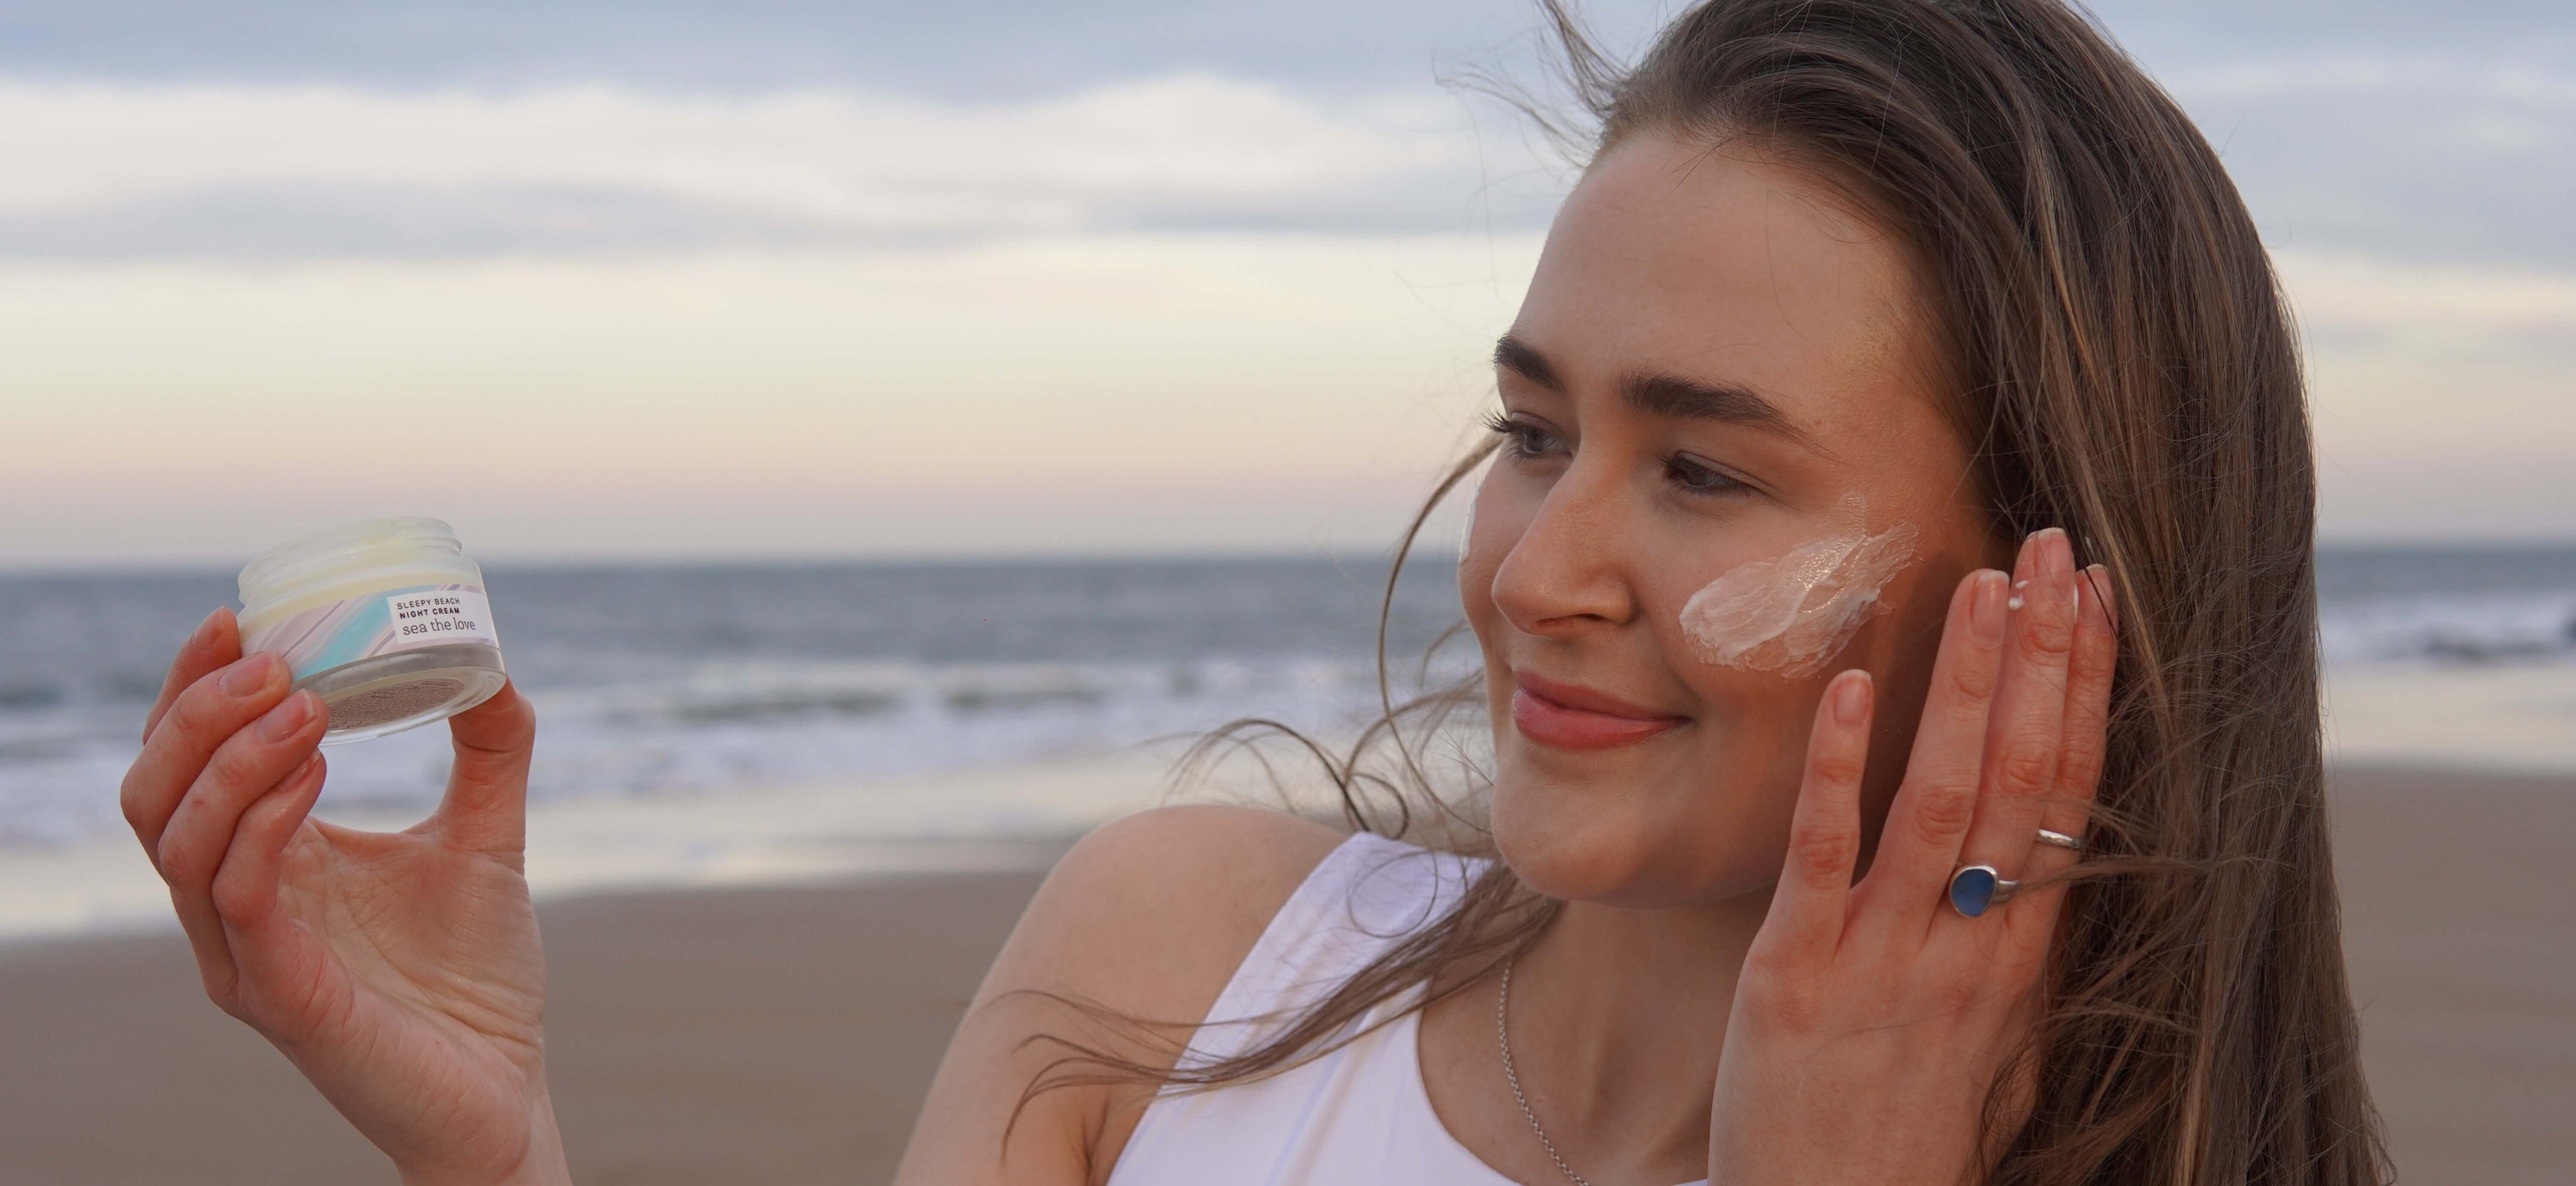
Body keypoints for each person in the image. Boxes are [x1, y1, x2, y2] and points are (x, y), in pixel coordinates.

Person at [114, 1, 2393, 1183]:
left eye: (1699, 468)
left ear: (2056, 597)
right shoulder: (1175, 964)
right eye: (1532, 430)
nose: (1539, 564)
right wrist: (485, 1140)